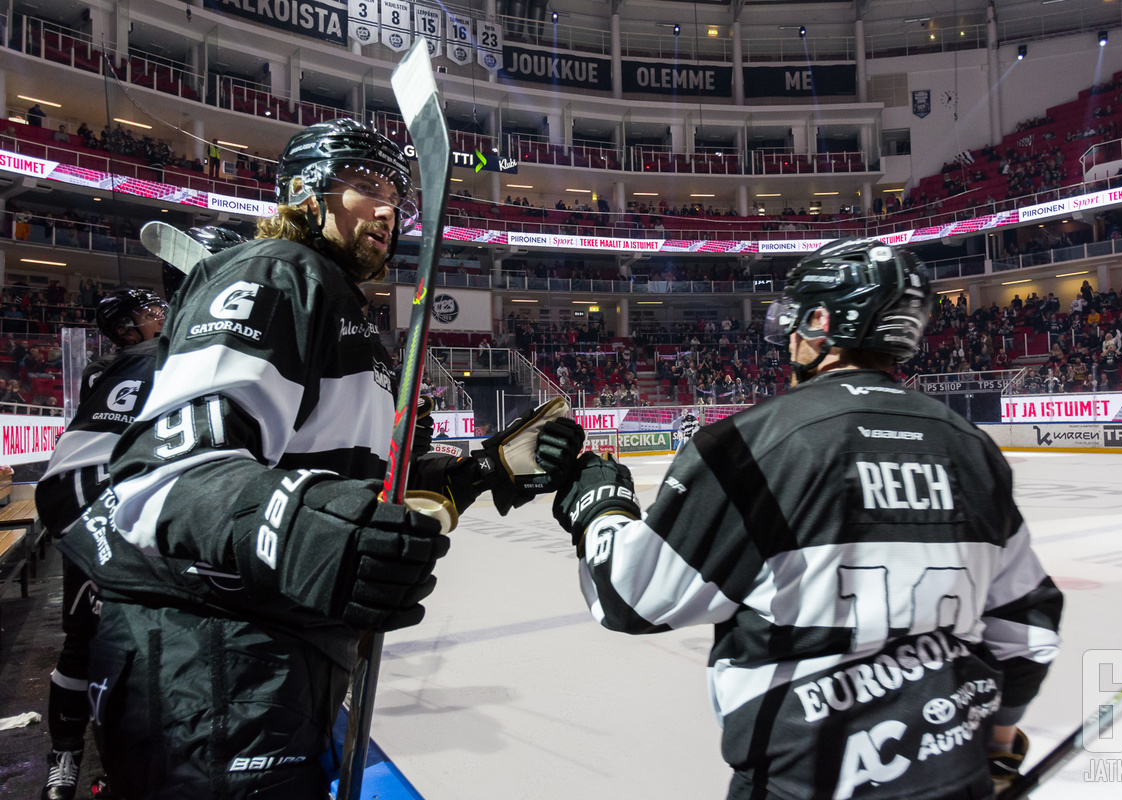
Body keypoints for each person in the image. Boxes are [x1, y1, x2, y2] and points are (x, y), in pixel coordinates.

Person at [57, 119, 584, 799]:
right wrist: (314, 530)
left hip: (281, 656)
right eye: (366, 186)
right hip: (209, 663)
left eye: (397, 194)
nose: (389, 208)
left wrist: (481, 472)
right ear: (305, 192)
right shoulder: (271, 271)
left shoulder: (341, 305)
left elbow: (352, 489)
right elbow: (165, 477)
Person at [549, 238, 1063, 800]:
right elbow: (1027, 628)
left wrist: (600, 502)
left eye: (796, 321)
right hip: (953, 776)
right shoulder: (972, 449)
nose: (789, 339)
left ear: (820, 324)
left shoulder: (752, 445)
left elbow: (629, 597)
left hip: (804, 782)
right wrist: (999, 742)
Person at [35, 289, 167, 800]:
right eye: (149, 313)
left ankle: (125, 756)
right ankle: (64, 754)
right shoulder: (121, 367)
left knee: (139, 640)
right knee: (82, 641)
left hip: (145, 509)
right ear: (126, 330)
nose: (160, 316)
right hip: (97, 508)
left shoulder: (161, 356)